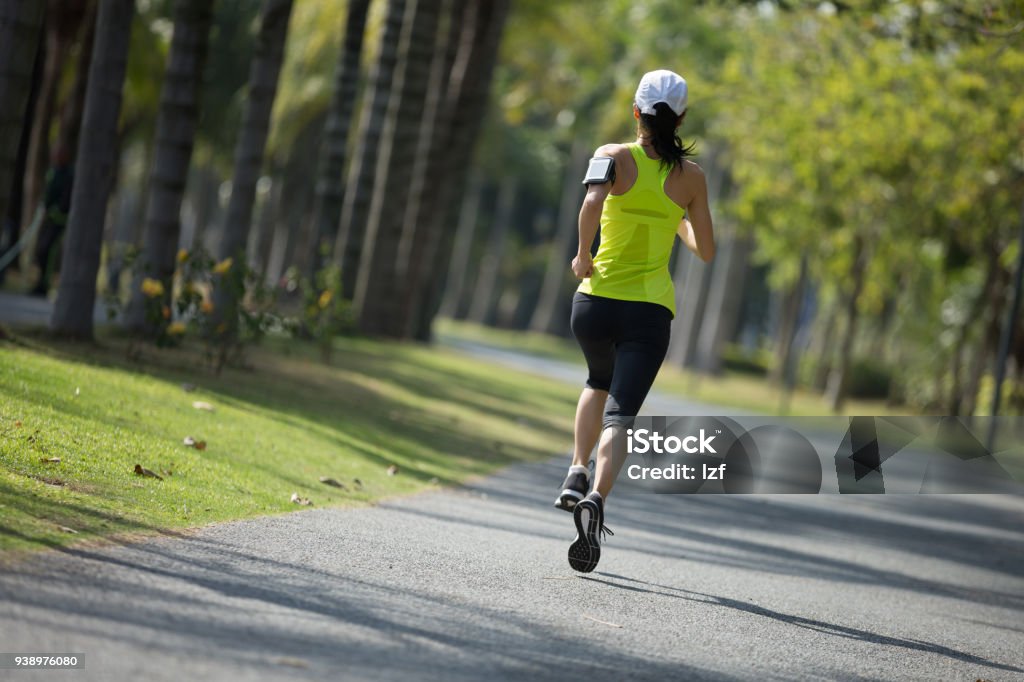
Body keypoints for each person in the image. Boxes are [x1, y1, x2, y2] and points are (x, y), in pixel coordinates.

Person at [555, 70, 715, 573]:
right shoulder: (692, 178)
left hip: (596, 302)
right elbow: (706, 250)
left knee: (595, 380)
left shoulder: (612, 155)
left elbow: (591, 202)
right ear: (681, 117)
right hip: (650, 313)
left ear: (636, 112)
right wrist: (680, 217)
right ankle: (597, 499)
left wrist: (582, 256)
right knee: (620, 417)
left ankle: (576, 471)